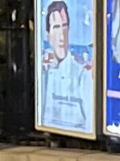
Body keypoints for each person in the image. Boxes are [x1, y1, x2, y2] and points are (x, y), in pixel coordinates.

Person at [36, 0, 92, 134]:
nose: (61, 35)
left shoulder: (81, 75)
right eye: (56, 27)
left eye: (64, 26)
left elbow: (90, 120)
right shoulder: (44, 75)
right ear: (48, 35)